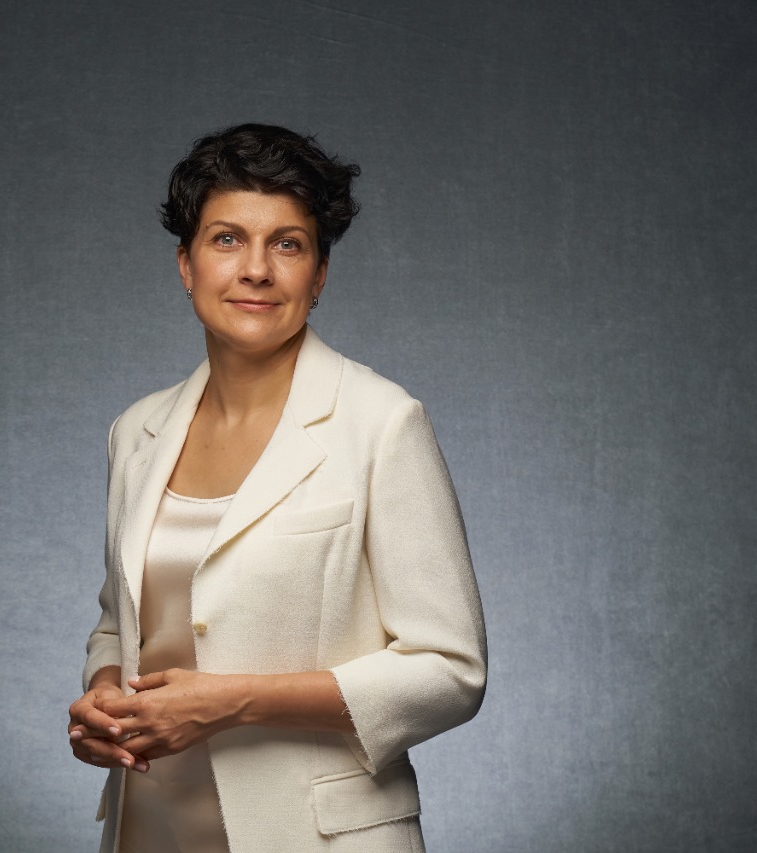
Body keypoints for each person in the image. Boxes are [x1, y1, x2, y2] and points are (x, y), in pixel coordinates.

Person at [67, 123, 487, 853]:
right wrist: (104, 691)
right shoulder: (136, 433)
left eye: (287, 244)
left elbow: (450, 670)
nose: (256, 269)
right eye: (227, 239)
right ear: (186, 264)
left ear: (318, 276)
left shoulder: (381, 423)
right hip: (151, 827)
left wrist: (235, 701)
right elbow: (121, 620)